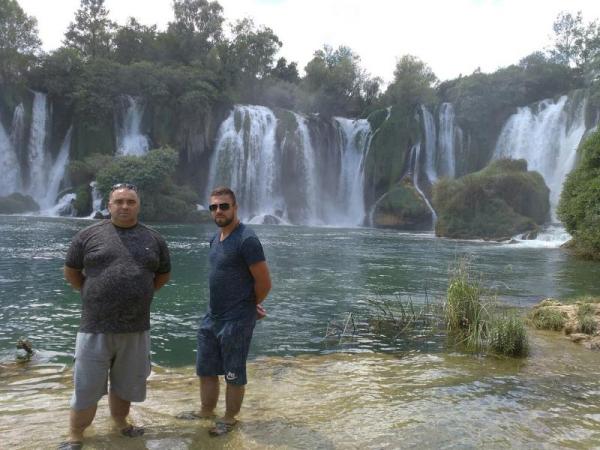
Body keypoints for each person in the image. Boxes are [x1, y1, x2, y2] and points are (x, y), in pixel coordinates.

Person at [59, 183, 171, 450]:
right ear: (109, 205)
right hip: (94, 326)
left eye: (130, 201)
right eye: (119, 202)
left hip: (136, 327)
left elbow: (162, 275)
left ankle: (121, 422)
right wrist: (92, 292)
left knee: (125, 385)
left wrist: (139, 294)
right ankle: (75, 434)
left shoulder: (155, 239)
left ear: (138, 205)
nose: (124, 206)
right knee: (86, 386)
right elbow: (72, 271)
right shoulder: (87, 235)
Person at [178, 186, 271, 436]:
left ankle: (229, 419)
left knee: (233, 373)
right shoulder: (215, 238)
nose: (218, 211)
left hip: (236, 319)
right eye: (214, 207)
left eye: (224, 206)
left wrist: (249, 306)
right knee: (206, 369)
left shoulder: (247, 240)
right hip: (212, 316)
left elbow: (264, 282)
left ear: (235, 208)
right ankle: (206, 411)